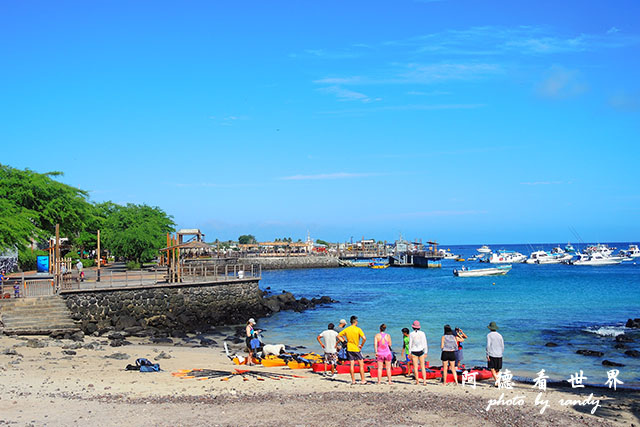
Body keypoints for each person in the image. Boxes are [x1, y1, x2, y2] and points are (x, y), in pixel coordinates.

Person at [338, 315, 367, 385]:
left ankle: (353, 380)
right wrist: (361, 345)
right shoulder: (358, 329)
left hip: (349, 348)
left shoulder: (347, 329)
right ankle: (363, 380)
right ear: (356, 322)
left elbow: (338, 335)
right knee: (361, 364)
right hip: (356, 348)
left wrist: (343, 341)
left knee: (351, 364)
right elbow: (364, 338)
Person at [409, 320, 428, 385]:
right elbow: (425, 343)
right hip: (421, 351)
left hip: (414, 351)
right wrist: (426, 352)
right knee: (423, 367)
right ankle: (424, 381)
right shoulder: (422, 333)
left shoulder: (411, 334)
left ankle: (417, 381)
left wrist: (409, 352)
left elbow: (410, 344)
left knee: (415, 367)